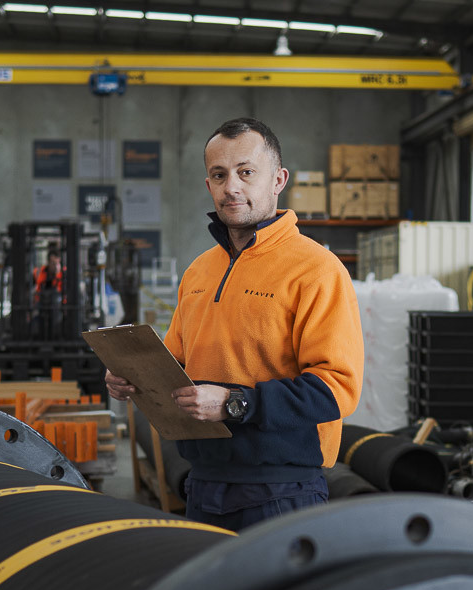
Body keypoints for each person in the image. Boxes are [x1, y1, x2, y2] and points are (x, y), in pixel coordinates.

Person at [106, 117, 364, 531]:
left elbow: (338, 389)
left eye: (246, 172)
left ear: (277, 180)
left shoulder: (316, 270)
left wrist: (233, 403)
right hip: (203, 484)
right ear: (207, 184)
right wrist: (132, 376)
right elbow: (173, 362)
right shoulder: (199, 272)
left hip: (282, 491)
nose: (232, 187)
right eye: (219, 175)